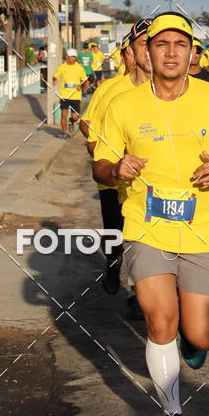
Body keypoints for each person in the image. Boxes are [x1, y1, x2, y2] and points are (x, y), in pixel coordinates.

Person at [93, 13, 209, 416]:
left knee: (202, 336)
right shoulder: (123, 105)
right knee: (159, 321)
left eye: (179, 44)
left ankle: (193, 340)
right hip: (145, 228)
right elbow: (100, 164)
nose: (170, 51)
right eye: (161, 44)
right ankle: (172, 415)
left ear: (192, 53)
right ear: (147, 52)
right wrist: (116, 168)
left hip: (202, 231)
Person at [86, 21, 152, 318]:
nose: (150, 51)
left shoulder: (168, 91)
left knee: (144, 239)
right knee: (116, 233)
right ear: (131, 52)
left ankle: (139, 292)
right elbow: (91, 136)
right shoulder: (110, 91)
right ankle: (113, 262)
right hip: (114, 181)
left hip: (151, 184)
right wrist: (113, 164)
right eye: (143, 45)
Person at [52, 48, 88, 137]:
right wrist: (54, 79)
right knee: (64, 114)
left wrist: (83, 87)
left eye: (74, 57)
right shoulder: (62, 67)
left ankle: (71, 121)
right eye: (71, 57)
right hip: (64, 95)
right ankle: (64, 133)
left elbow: (84, 80)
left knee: (75, 116)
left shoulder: (80, 68)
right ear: (66, 57)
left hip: (75, 96)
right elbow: (56, 75)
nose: (72, 59)